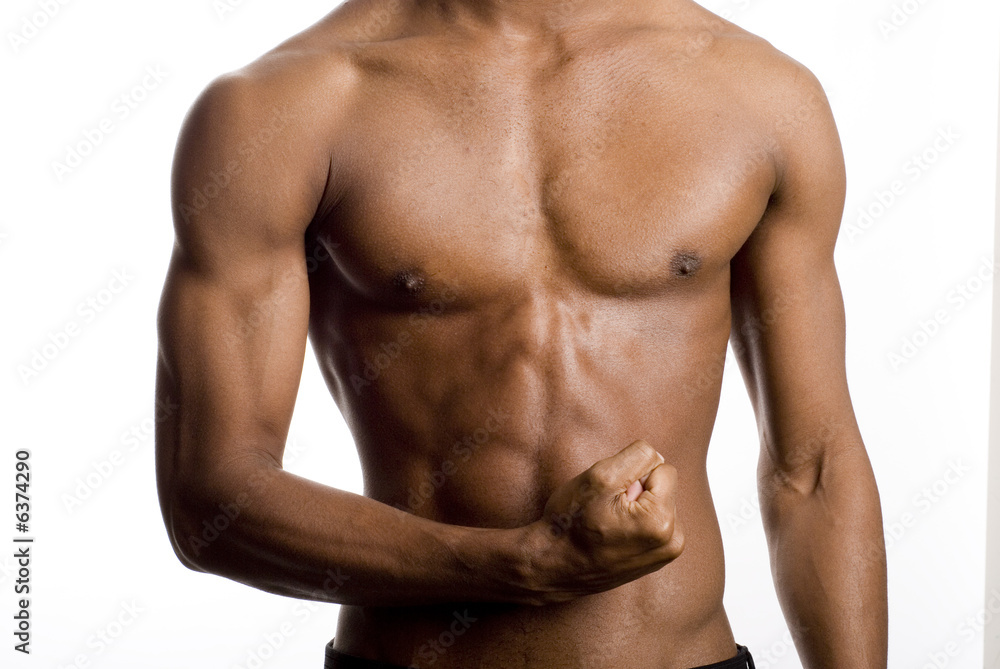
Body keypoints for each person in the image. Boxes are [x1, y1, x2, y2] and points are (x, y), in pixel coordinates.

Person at [154, 0, 888, 667]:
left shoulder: (760, 97)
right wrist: (517, 564)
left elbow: (814, 467)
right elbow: (211, 500)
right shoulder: (287, 105)